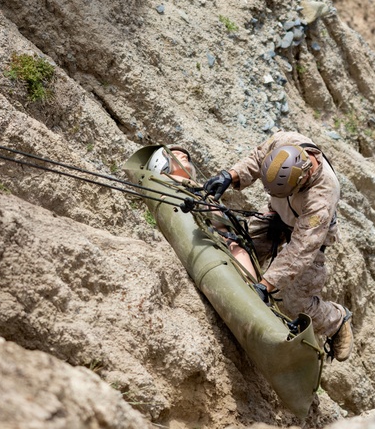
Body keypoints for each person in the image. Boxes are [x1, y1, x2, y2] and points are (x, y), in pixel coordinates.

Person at [203, 132, 354, 361]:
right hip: (278, 214)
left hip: (310, 237)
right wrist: (231, 176)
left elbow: (301, 250)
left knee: (293, 302)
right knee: (244, 247)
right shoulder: (285, 142)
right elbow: (258, 158)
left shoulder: (321, 197)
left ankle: (336, 321)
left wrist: (266, 286)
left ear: (304, 178)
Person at [146, 146, 259, 280]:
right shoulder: (163, 184)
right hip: (202, 241)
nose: (184, 156)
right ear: (160, 161)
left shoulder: (204, 188)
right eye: (176, 154)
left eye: (185, 155)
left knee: (242, 259)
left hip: (229, 240)